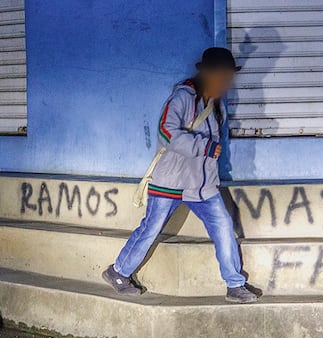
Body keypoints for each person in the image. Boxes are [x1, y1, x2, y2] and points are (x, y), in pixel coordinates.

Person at [103, 47, 261, 303]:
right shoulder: (183, 98)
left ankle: (235, 285)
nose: (226, 82)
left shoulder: (215, 107)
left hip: (202, 186)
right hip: (170, 181)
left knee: (223, 225)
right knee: (150, 227)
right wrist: (203, 146)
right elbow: (166, 132)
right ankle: (118, 272)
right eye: (221, 75)